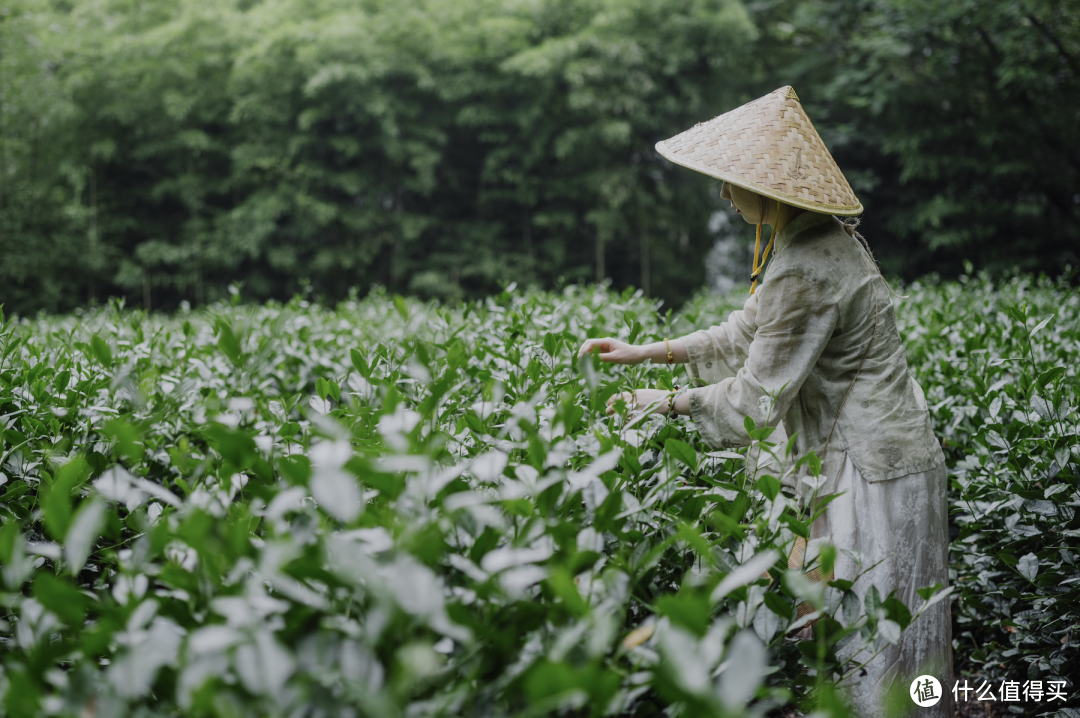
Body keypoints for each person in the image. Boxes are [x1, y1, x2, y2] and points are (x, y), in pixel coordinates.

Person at [578, 86, 952, 718]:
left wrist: (664, 404)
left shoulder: (807, 265)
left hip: (868, 470)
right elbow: (747, 332)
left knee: (876, 665)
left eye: (733, 183)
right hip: (882, 454)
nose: (725, 196)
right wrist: (646, 351)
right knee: (880, 660)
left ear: (770, 188)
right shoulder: (813, 240)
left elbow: (755, 401)